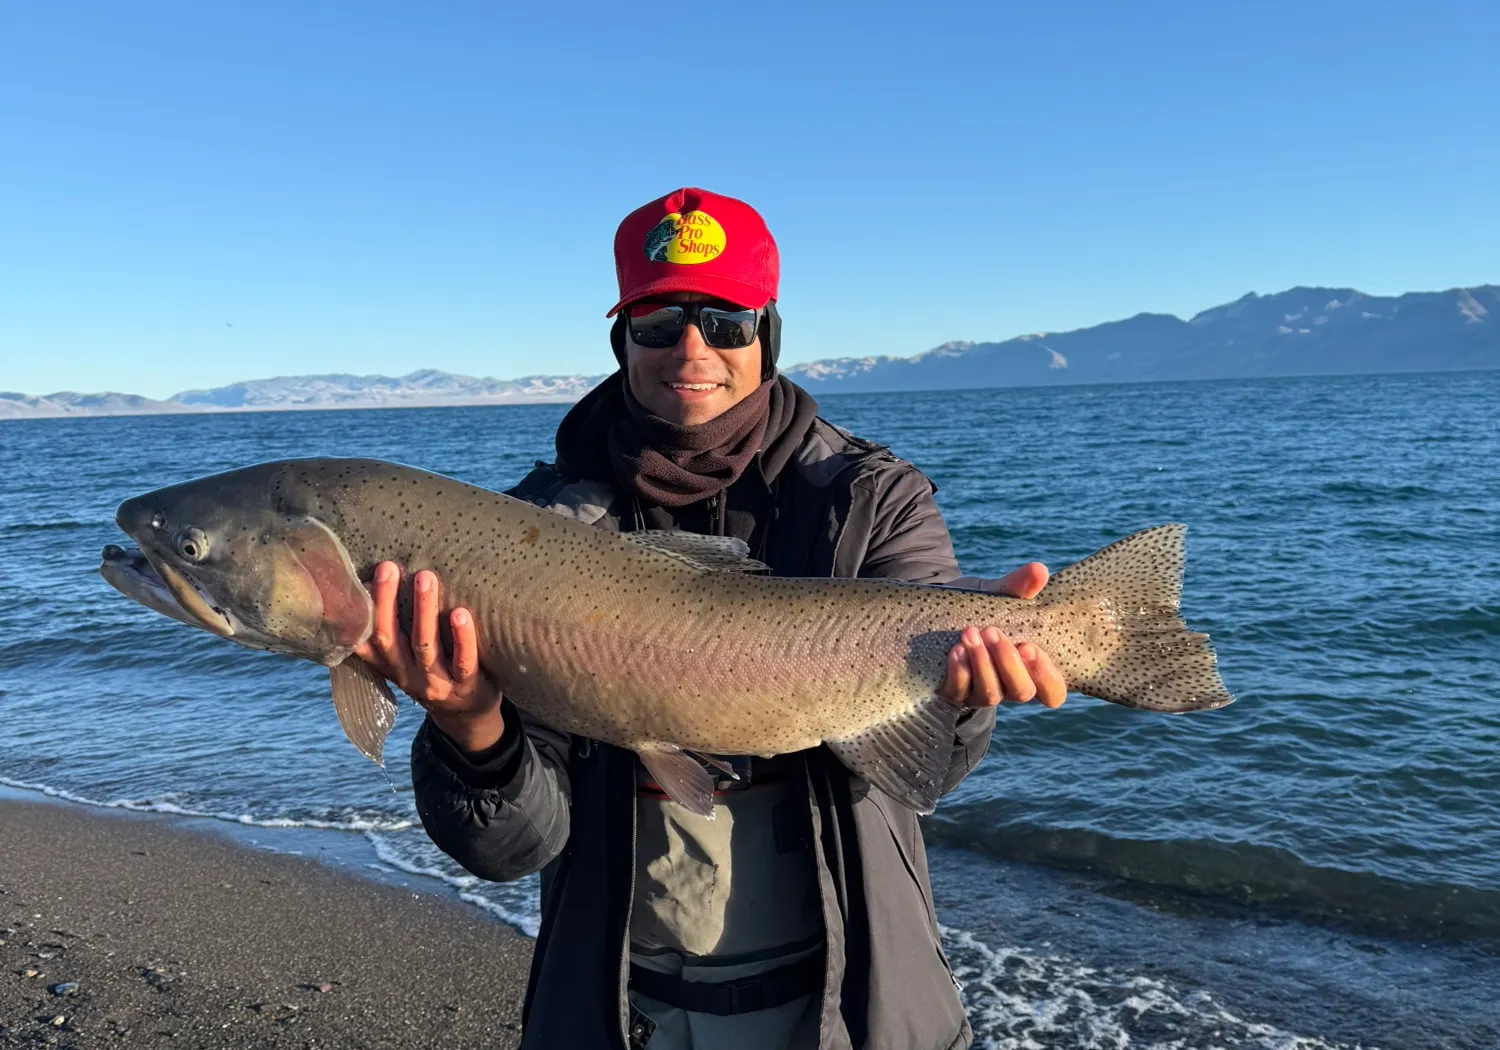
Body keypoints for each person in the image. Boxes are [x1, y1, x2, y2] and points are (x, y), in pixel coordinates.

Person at [355, 188, 1067, 1050]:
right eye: (657, 323)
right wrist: (472, 728)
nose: (691, 347)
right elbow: (511, 849)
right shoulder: (532, 535)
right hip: (621, 1010)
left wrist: (964, 694)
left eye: (725, 320)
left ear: (767, 333)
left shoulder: (874, 499)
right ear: (622, 342)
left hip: (855, 1007)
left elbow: (925, 775)